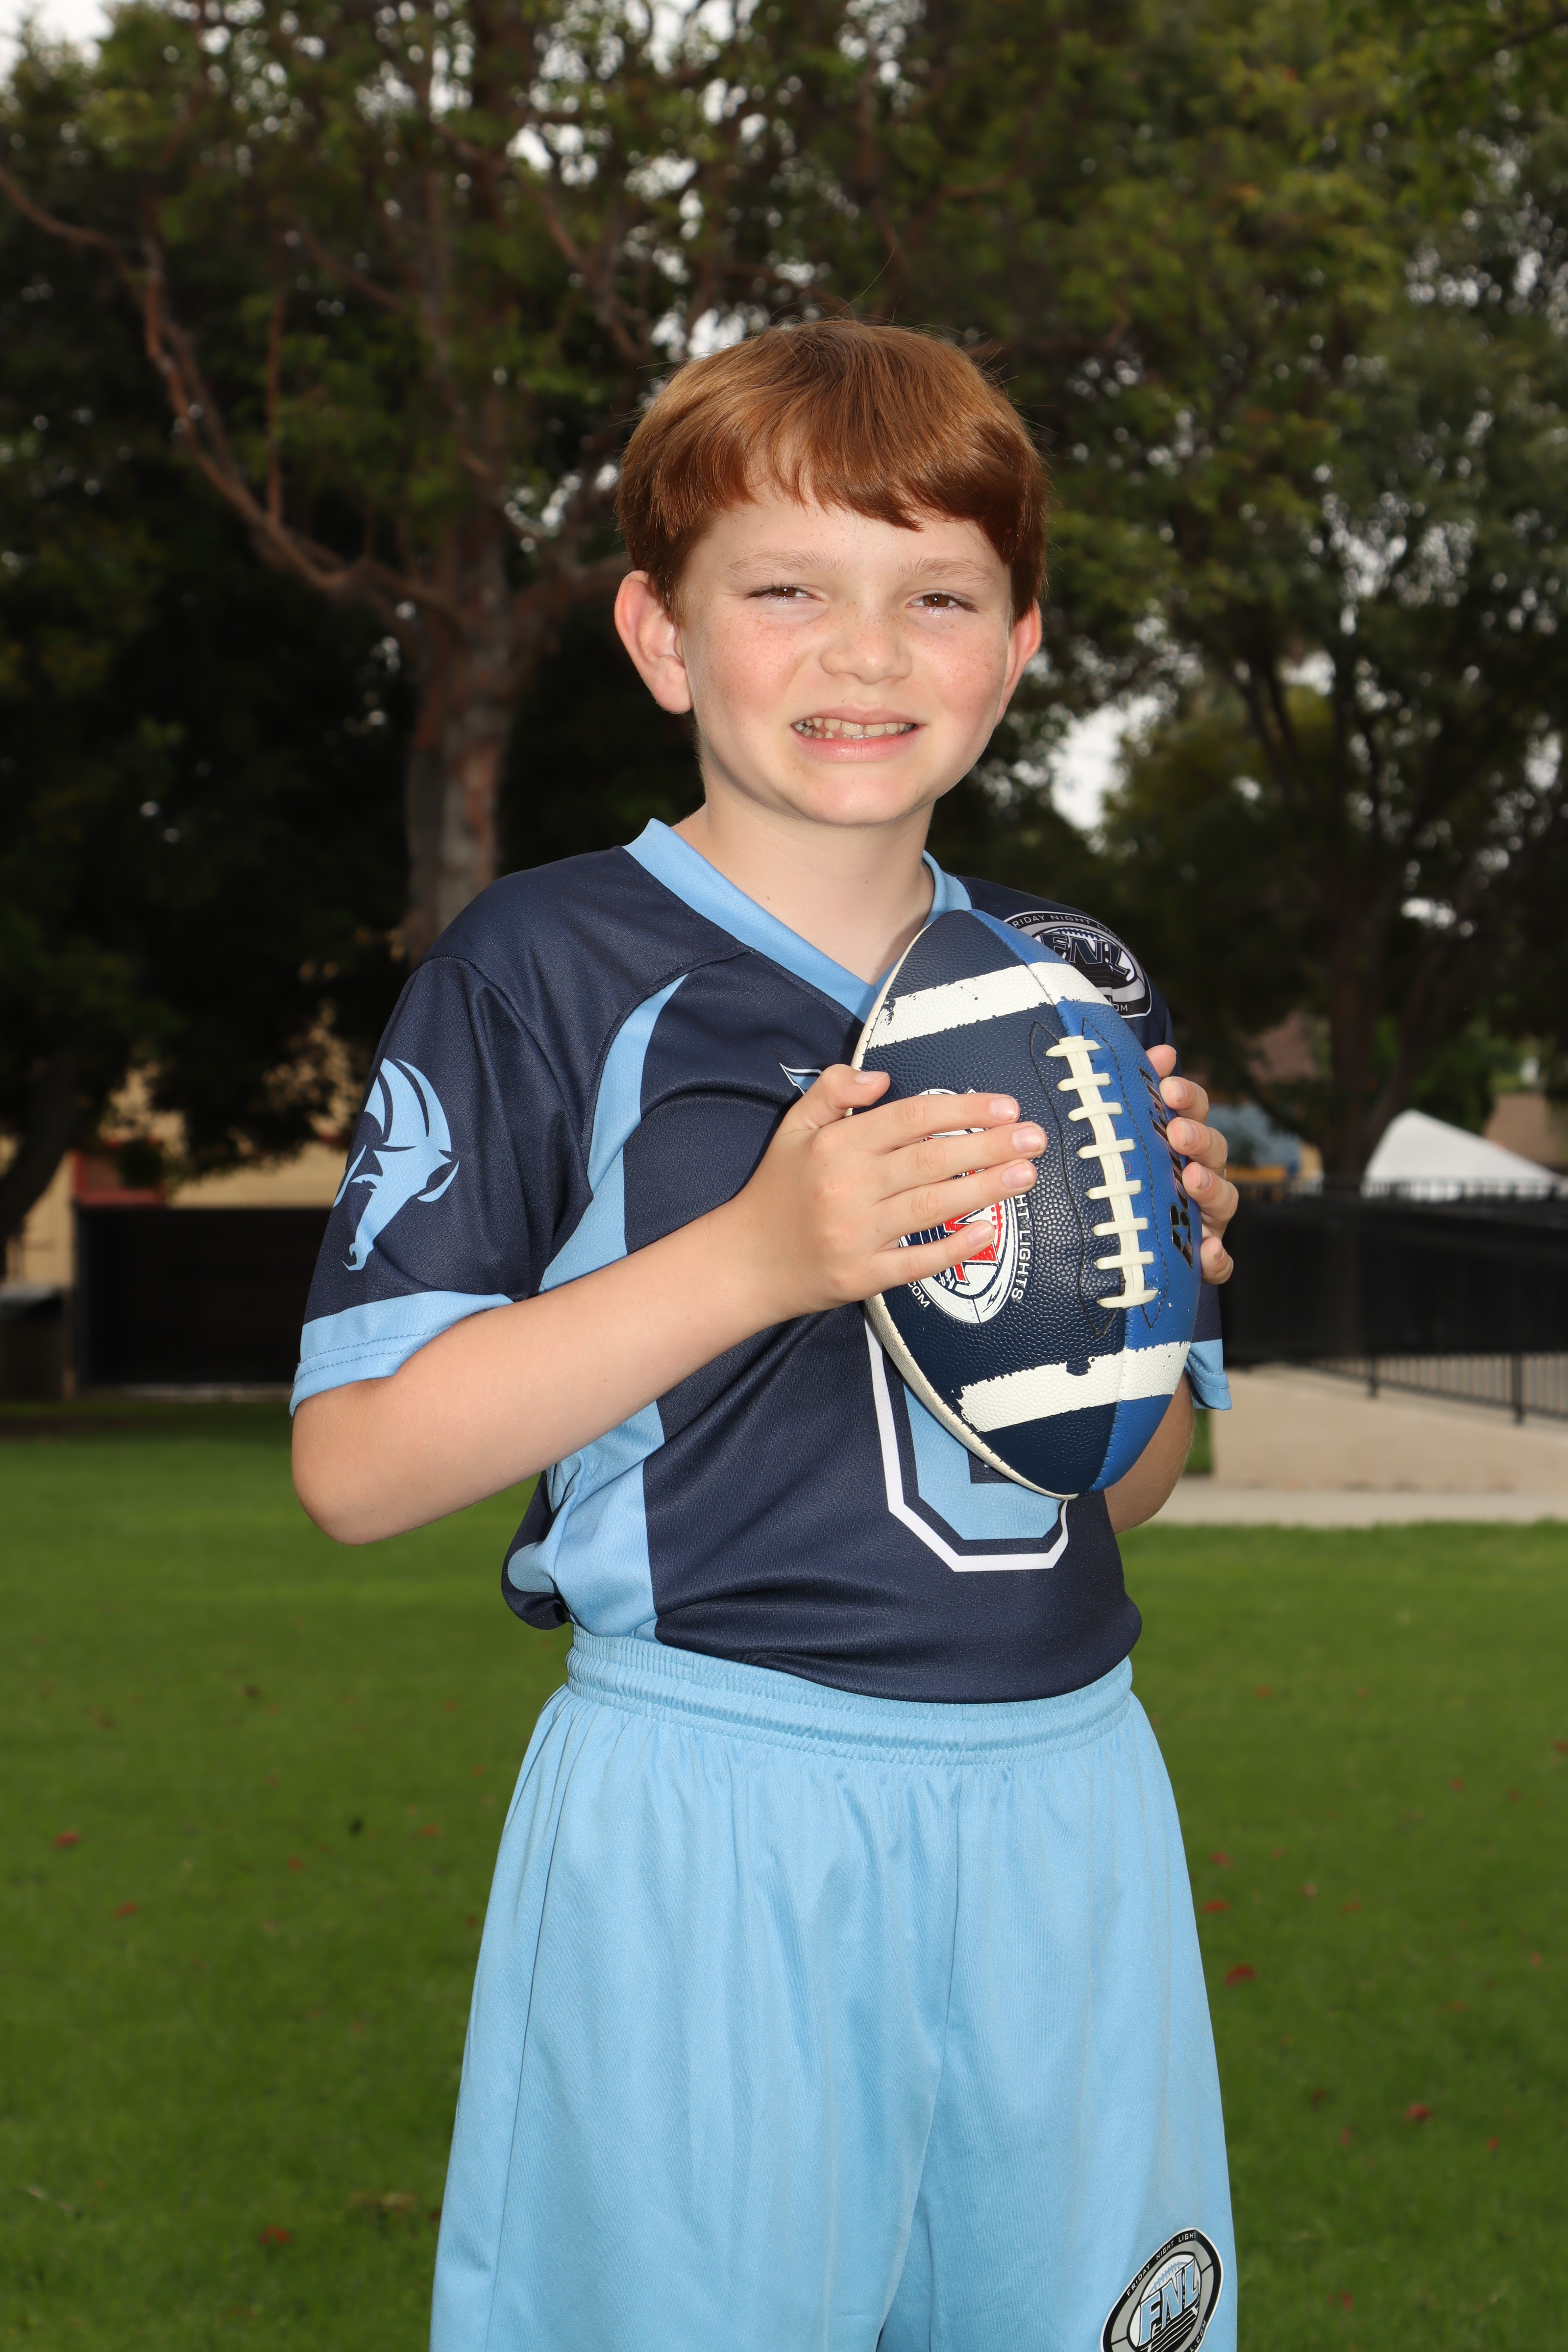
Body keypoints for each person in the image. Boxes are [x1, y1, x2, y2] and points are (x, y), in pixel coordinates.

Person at [292, 319, 1241, 2352]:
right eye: (787, 590)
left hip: (1067, 1793)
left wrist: (1141, 1298)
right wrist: (756, 1258)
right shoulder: (546, 965)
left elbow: (1134, 1481)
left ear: (1018, 649)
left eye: (937, 598)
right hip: (717, 1799)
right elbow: (356, 1466)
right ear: (661, 636)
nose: (866, 653)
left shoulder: (1072, 983)